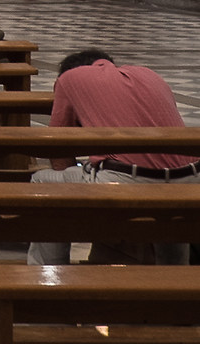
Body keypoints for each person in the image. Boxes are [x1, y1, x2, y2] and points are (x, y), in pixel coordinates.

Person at [29, 49, 198, 266]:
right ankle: (176, 281)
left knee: (44, 182)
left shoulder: (69, 79)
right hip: (192, 179)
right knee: (170, 209)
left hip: (128, 181)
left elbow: (58, 150)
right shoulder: (149, 74)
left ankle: (48, 277)